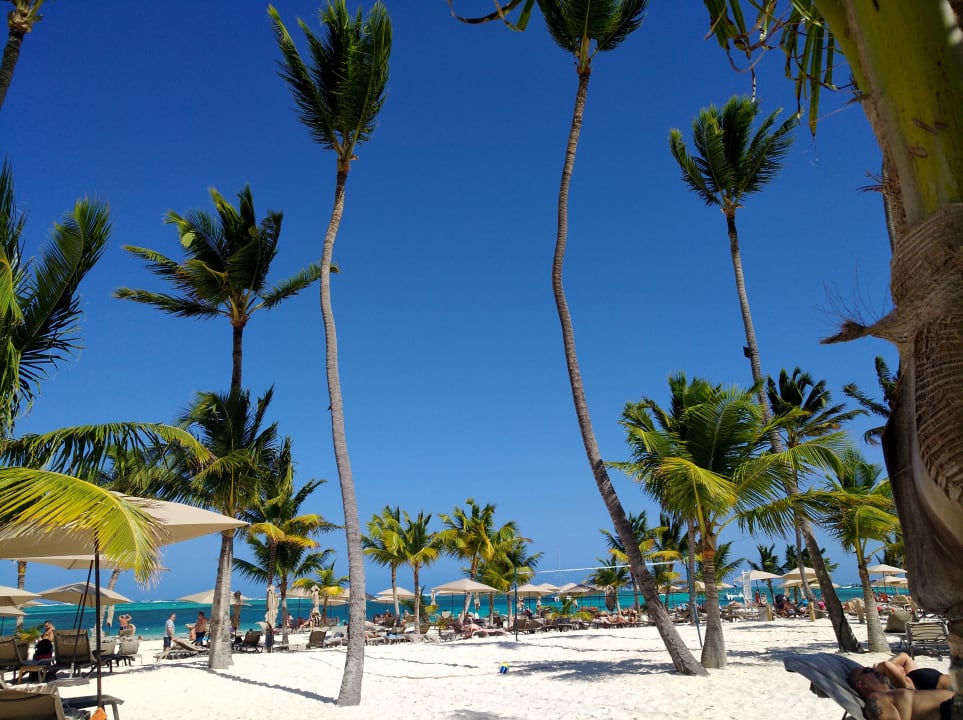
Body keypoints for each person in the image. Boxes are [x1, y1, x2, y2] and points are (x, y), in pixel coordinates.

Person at [849, 664, 953, 720]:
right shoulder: (875, 698)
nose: (875, 671)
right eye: (868, 670)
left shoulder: (896, 691)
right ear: (860, 684)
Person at [875, 653, 953, 691]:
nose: (899, 666)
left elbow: (903, 657)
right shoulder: (908, 682)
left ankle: (875, 673)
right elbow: (887, 665)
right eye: (898, 667)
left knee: (901, 657)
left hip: (918, 683)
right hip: (938, 681)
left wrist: (876, 668)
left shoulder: (910, 680)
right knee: (903, 656)